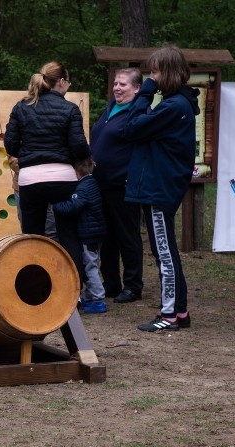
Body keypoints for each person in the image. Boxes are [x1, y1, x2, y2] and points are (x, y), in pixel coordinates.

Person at [121, 45, 198, 332]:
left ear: (167, 72)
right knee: (167, 251)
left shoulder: (173, 106)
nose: (151, 77)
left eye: (154, 72)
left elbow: (131, 127)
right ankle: (180, 311)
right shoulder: (175, 104)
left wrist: (145, 92)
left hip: (158, 189)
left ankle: (169, 315)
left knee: (164, 252)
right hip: (159, 186)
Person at [3, 61, 91, 281]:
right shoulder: (70, 109)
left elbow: (11, 146)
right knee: (68, 234)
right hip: (63, 178)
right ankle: (74, 290)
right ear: (61, 82)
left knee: (32, 237)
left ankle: (33, 288)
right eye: (68, 82)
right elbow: (79, 147)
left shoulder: (21, 107)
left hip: (30, 179)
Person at [90, 67, 144, 304]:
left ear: (137, 88)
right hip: (100, 184)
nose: (117, 88)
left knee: (127, 236)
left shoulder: (138, 113)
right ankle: (111, 283)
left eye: (123, 84)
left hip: (123, 184)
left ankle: (133, 286)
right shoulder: (110, 108)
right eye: (115, 84)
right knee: (106, 236)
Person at [52, 157, 107, 314]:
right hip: (94, 232)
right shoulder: (91, 183)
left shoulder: (83, 187)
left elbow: (73, 206)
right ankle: (91, 295)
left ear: (77, 171)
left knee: (90, 267)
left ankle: (98, 300)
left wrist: (57, 206)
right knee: (91, 264)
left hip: (89, 234)